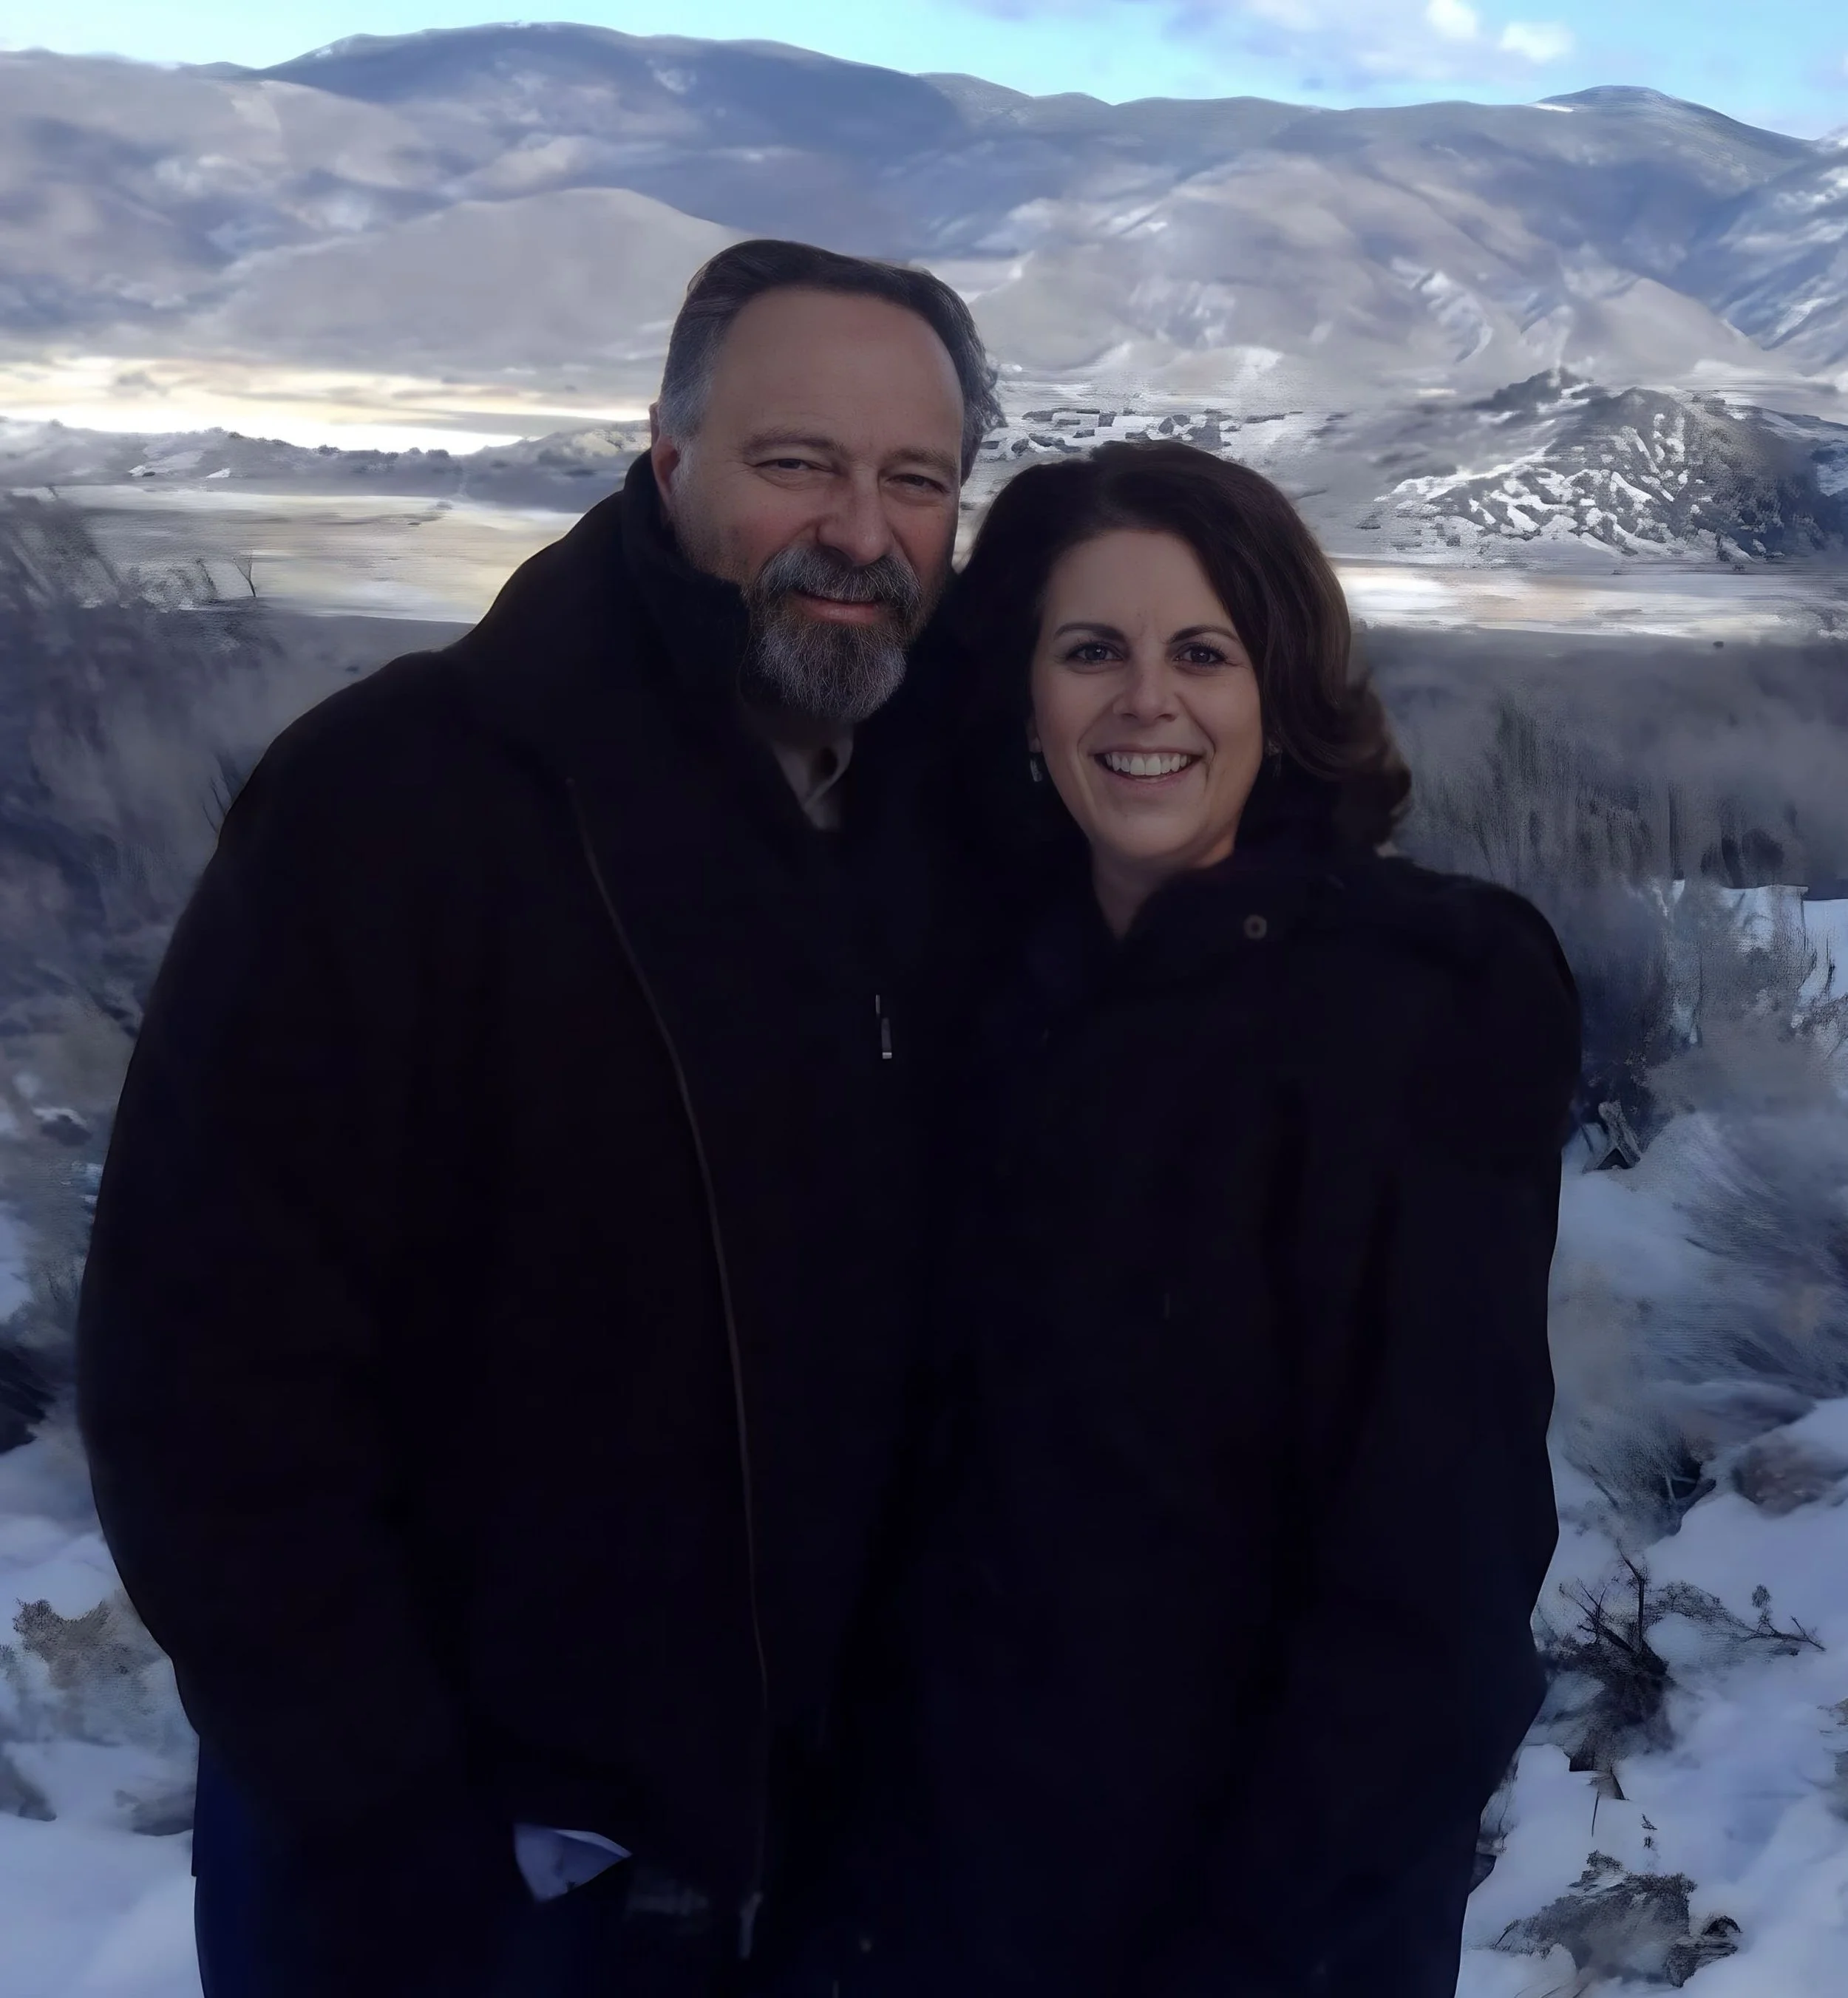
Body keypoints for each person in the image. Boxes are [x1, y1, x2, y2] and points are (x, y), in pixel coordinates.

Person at [74, 238, 1001, 1998]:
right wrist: (392, 1808)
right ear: (665, 458)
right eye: (796, 462)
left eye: (914, 482)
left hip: (813, 1856)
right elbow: (202, 1365)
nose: (860, 532)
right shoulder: (408, 797)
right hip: (467, 1879)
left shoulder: (935, 828)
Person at [819, 441, 1581, 1998]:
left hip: (1260, 1920)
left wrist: (1245, 1952)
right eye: (1088, 651)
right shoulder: (972, 1003)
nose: (1143, 703)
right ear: (1022, 698)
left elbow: (1433, 1581)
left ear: (1277, 688)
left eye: (1201, 654)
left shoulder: (1401, 1010)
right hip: (947, 1892)